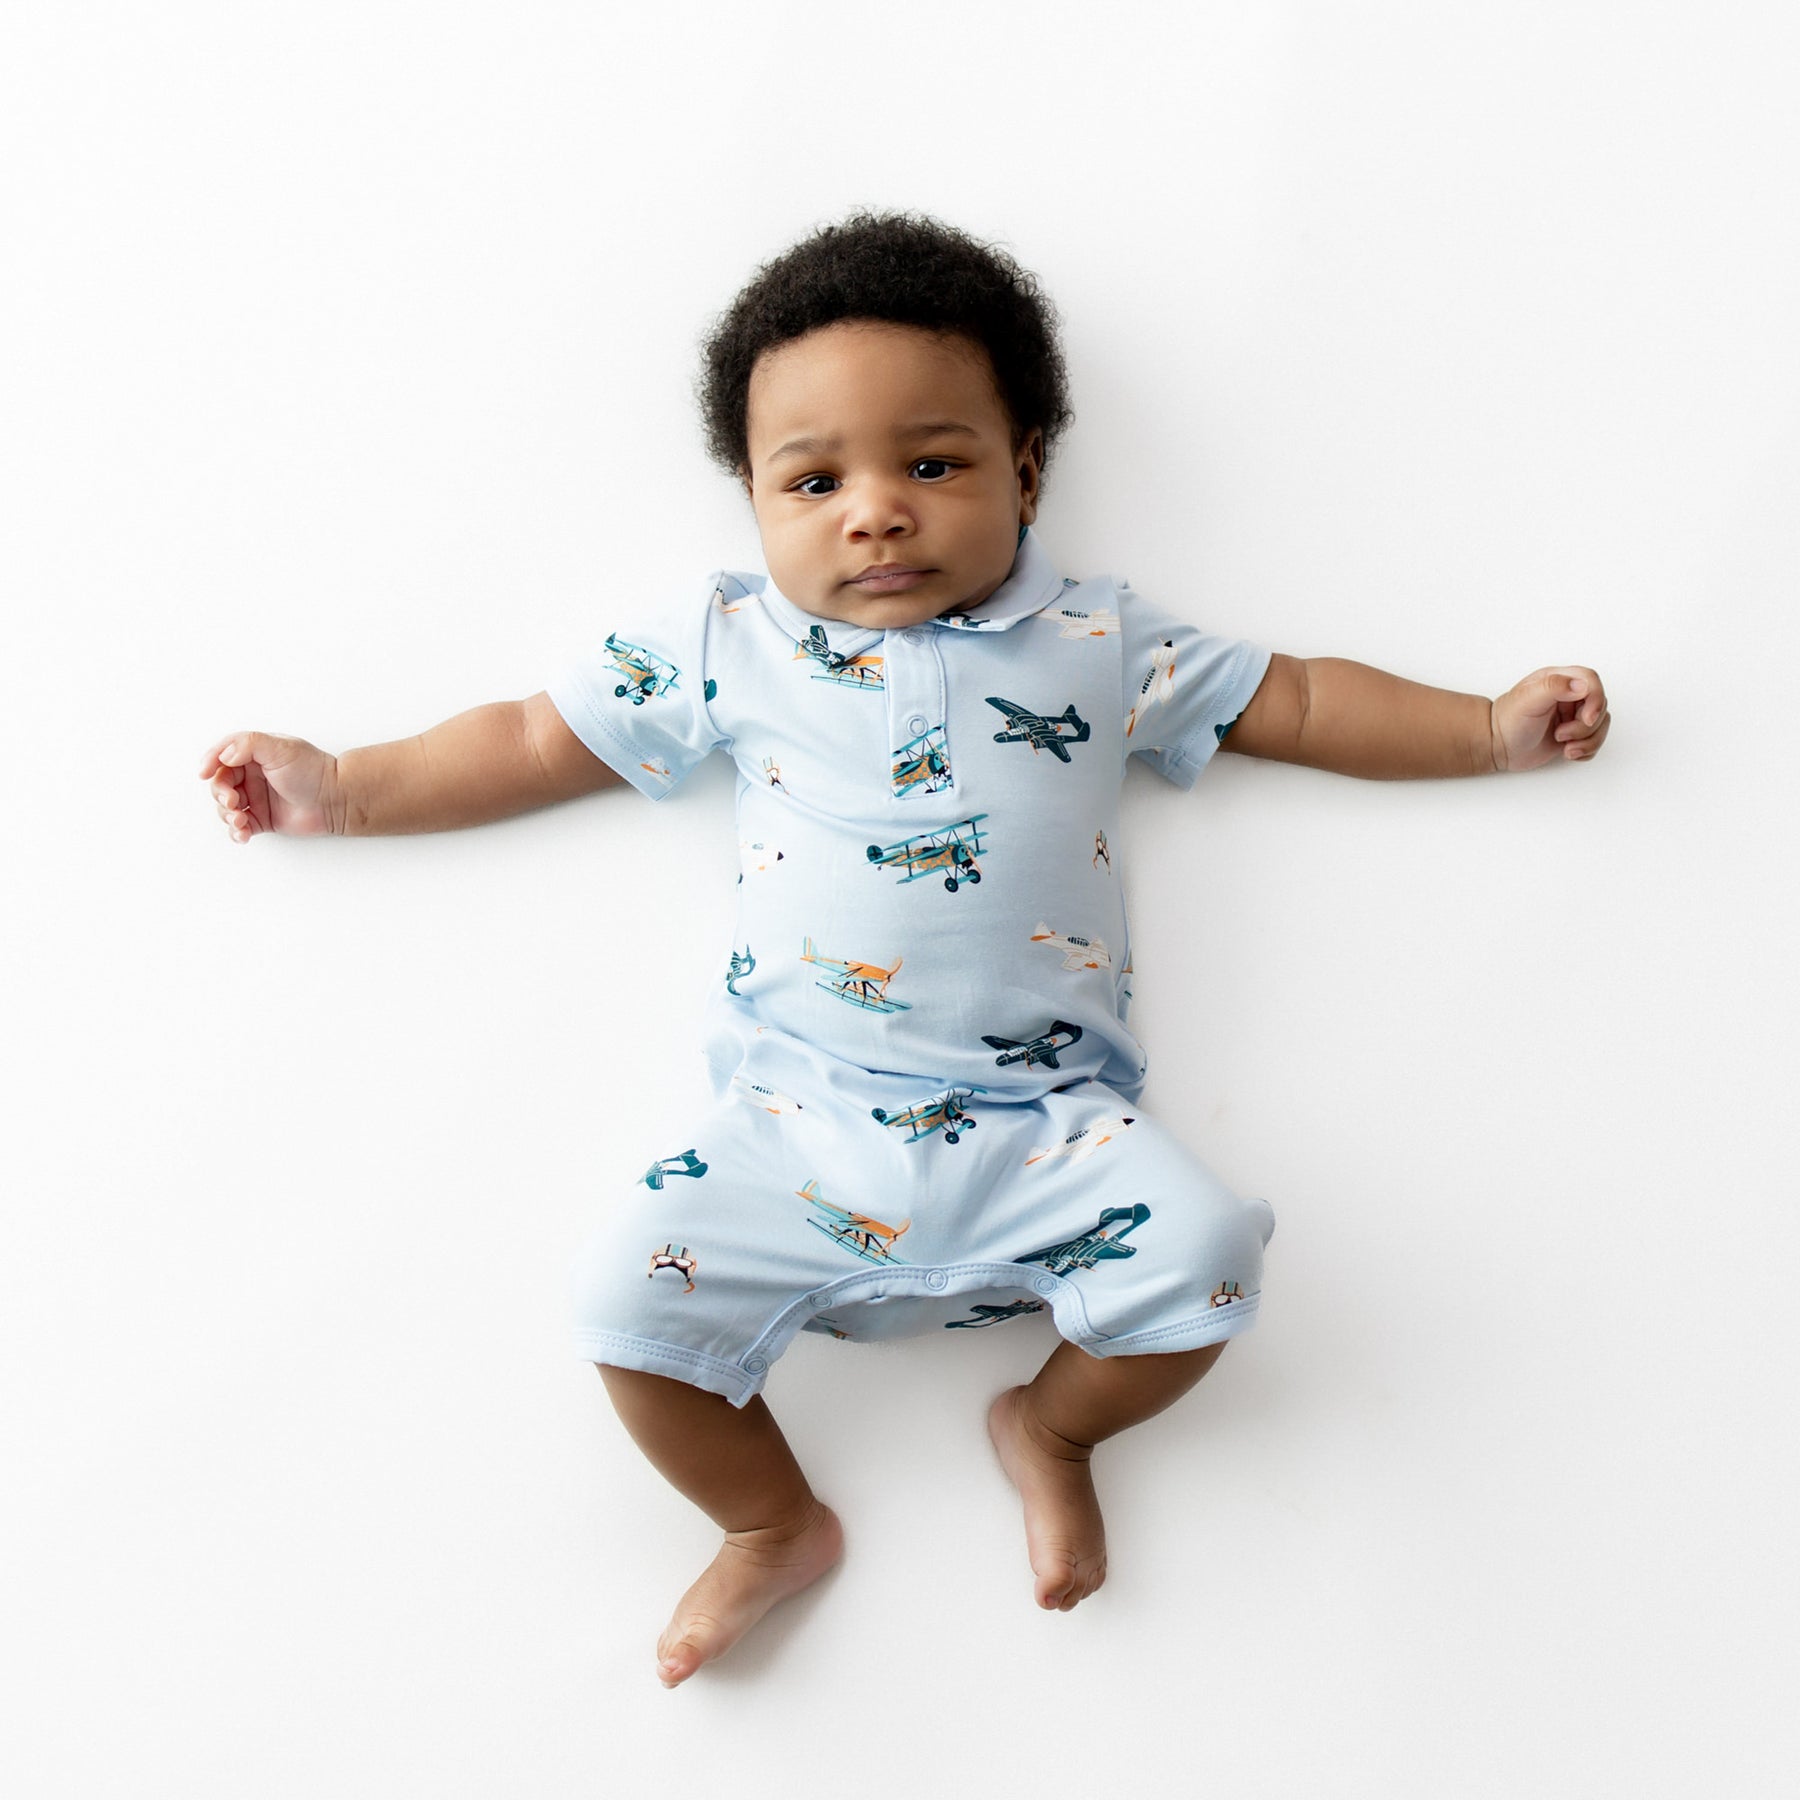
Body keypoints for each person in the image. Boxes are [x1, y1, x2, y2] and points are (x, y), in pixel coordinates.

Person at [199, 210, 1611, 1690]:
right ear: (752, 502)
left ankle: (1049, 1425)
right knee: (624, 1305)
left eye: (931, 465)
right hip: (797, 1131)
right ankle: (769, 1525)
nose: (874, 512)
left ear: (1029, 470)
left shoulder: (1098, 640)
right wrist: (342, 786)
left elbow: (1306, 702)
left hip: (1050, 1131)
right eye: (814, 482)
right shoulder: (723, 642)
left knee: (1210, 1267)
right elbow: (537, 737)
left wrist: (1486, 730)